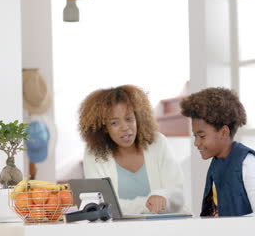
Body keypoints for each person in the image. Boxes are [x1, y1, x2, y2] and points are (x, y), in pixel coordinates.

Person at [79, 85, 185, 215]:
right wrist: (149, 203)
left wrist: (163, 197)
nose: (125, 127)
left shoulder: (158, 143)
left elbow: (177, 193)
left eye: (129, 119)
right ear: (104, 127)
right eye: (114, 123)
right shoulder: (94, 154)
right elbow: (102, 205)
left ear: (138, 118)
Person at [180, 87, 255, 217]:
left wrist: (227, 226)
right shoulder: (216, 164)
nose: (196, 143)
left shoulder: (247, 162)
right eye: (195, 136)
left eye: (202, 136)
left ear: (224, 132)